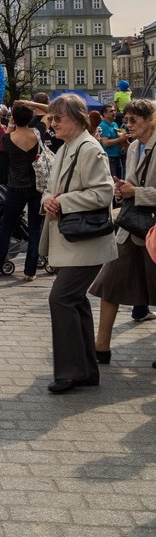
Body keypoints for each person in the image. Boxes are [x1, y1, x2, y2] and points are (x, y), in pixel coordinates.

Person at [39, 92, 117, 393]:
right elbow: (50, 188)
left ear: (77, 119)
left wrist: (62, 201)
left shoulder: (88, 148)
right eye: (51, 117)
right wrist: (49, 200)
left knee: (61, 299)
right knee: (74, 301)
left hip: (86, 241)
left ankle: (71, 371)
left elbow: (103, 192)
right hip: (74, 240)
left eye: (58, 118)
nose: (52, 123)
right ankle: (85, 370)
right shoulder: (68, 146)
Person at [92, 99, 156, 361]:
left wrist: (137, 193)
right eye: (125, 119)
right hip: (130, 226)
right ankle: (101, 347)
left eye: (133, 120)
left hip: (152, 231)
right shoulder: (133, 148)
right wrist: (122, 190)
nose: (126, 125)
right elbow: (130, 184)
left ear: (150, 120)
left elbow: (139, 189)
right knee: (111, 283)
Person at [0, 103, 43, 280]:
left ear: (13, 118)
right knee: (35, 229)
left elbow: (8, 132)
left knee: (7, 227)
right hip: (35, 187)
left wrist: (12, 120)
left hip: (15, 187)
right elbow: (50, 109)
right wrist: (32, 103)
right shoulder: (37, 134)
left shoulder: (7, 138)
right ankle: (30, 271)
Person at [96, 102, 127, 181]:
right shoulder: (103, 126)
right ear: (104, 114)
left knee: (119, 179)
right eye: (111, 111)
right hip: (109, 158)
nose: (114, 113)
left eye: (114, 111)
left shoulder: (114, 124)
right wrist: (120, 139)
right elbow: (105, 143)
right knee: (112, 180)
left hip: (117, 156)